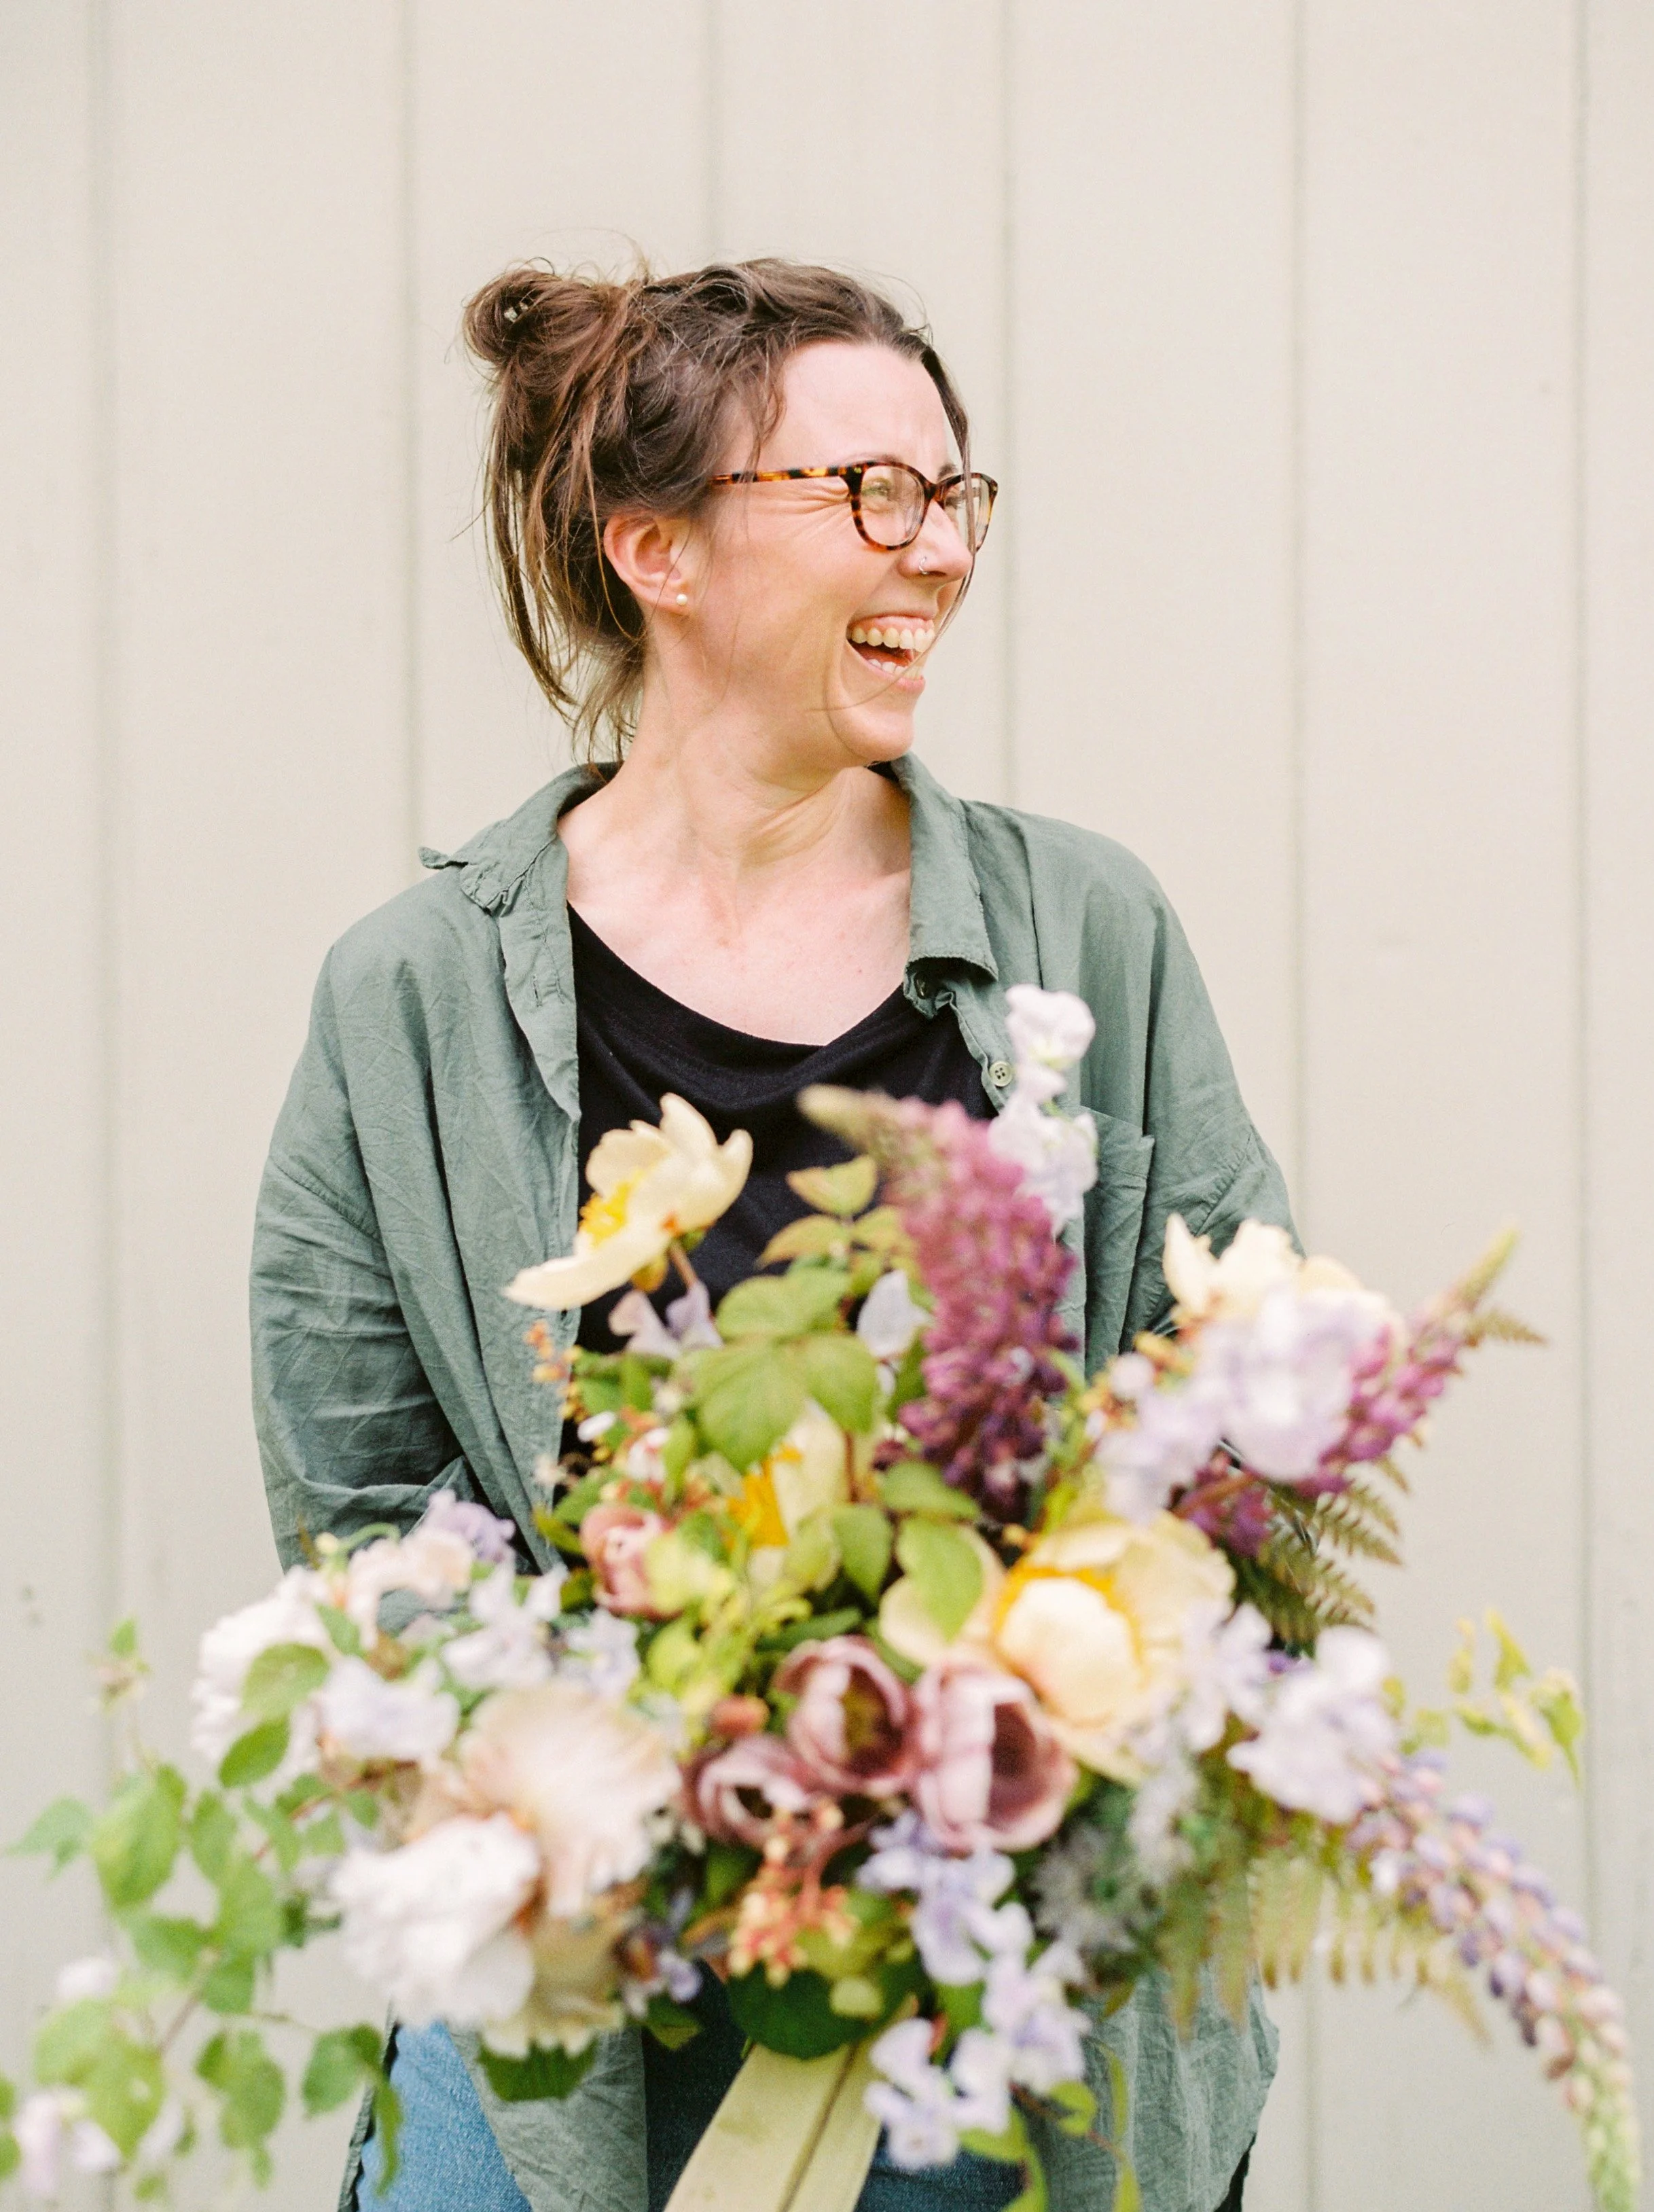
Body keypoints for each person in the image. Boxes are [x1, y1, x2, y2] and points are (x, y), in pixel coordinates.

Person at [251, 258, 1285, 2212]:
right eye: (868, 493)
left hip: (1000, 1994)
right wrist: (622, 1772)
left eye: (954, 492)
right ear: (660, 549)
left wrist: (996, 1715)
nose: (941, 550)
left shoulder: (1095, 937)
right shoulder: (411, 1002)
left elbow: (1242, 1422)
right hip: (573, 2011)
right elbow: (357, 1519)